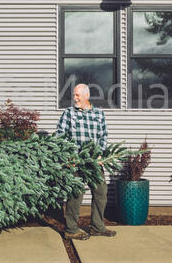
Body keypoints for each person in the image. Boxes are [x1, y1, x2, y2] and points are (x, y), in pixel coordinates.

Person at [56, 84, 116, 240]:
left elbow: (103, 136)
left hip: (95, 161)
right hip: (76, 161)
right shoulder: (69, 113)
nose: (74, 98)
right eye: (74, 95)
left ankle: (97, 226)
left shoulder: (99, 114)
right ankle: (71, 229)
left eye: (77, 95)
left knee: (101, 192)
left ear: (86, 96)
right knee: (75, 194)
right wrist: (69, 156)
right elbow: (59, 136)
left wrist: (100, 155)